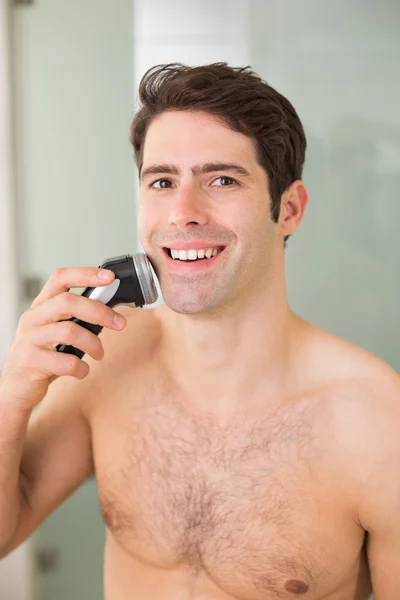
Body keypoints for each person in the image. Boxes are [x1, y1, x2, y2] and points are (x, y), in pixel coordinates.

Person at [0, 62, 398, 600]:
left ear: (289, 209)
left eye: (222, 180)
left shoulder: (375, 421)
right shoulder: (106, 355)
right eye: (162, 181)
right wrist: (11, 399)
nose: (183, 212)